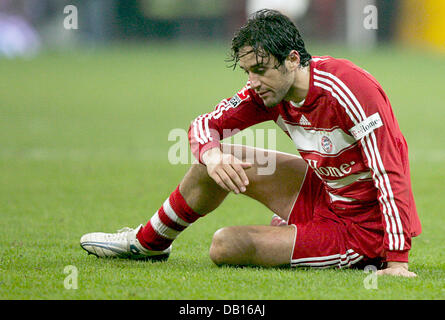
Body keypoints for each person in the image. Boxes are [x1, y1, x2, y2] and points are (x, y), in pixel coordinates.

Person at [80, 9, 421, 277]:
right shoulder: (267, 92)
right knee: (215, 158)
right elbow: (204, 125)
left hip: (361, 229)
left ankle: (347, 250)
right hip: (324, 193)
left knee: (225, 245)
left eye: (260, 69)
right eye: (247, 72)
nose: (252, 82)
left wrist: (396, 262)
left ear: (291, 59)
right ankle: (148, 244)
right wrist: (212, 157)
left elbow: (390, 170)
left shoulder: (348, 89)